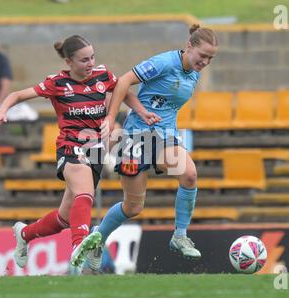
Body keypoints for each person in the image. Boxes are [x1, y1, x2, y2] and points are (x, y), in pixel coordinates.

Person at [0, 35, 159, 269]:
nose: (90, 63)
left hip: (95, 150)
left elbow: (124, 91)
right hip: (70, 146)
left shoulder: (102, 76)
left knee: (65, 218)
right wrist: (2, 110)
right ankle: (79, 245)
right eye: (84, 60)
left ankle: (24, 234)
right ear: (69, 62)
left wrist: (143, 112)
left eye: (92, 57)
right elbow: (18, 95)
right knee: (85, 193)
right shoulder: (57, 83)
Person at [80, 24, 219, 273]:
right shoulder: (163, 63)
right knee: (133, 207)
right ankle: (97, 239)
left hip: (164, 137)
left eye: (211, 58)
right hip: (136, 138)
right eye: (203, 55)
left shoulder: (194, 73)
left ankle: (180, 235)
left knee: (189, 175)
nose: (206, 61)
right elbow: (123, 81)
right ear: (189, 47)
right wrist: (111, 119)